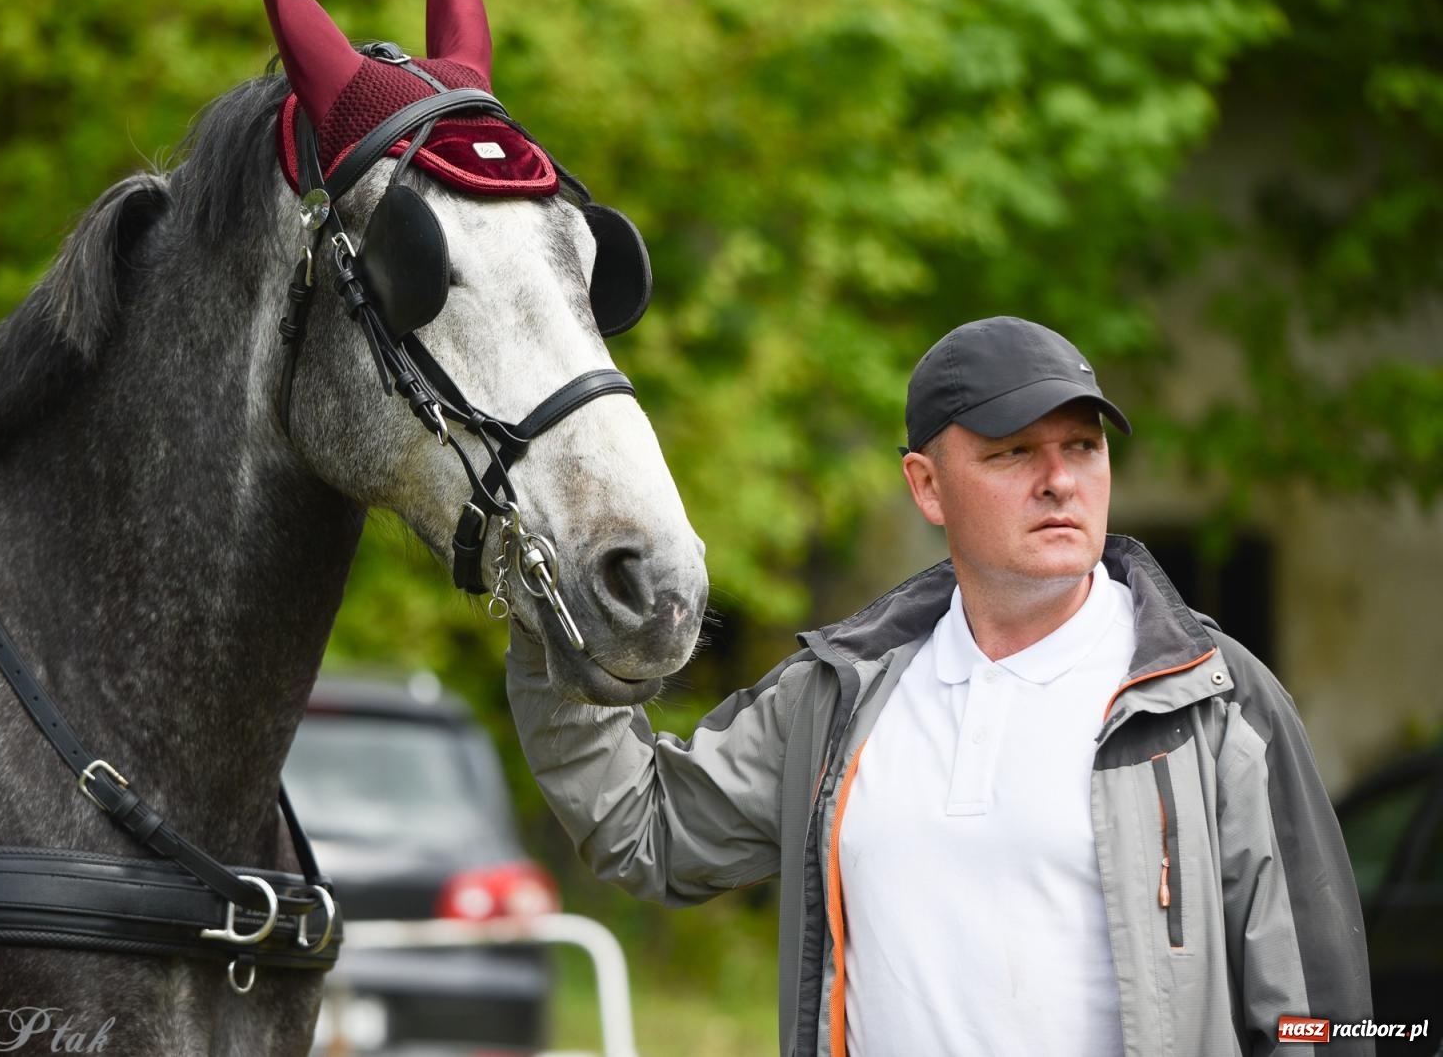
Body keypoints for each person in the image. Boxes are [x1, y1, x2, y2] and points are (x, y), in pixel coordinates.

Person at [505, 316, 1373, 1056]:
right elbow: (649, 827)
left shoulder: (1214, 705)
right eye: (1014, 453)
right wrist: (549, 599)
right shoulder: (838, 697)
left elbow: (1318, 1020)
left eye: (1083, 445)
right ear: (927, 485)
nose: (1060, 480)